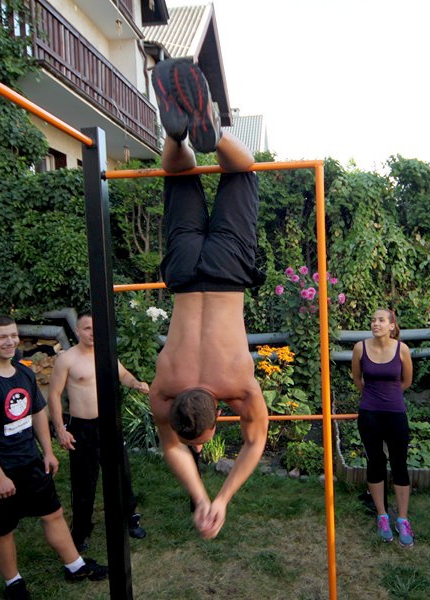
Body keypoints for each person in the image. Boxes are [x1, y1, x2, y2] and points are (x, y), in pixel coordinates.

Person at [149, 57, 269, 540]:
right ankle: (180, 139)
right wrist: (202, 496)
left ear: (217, 416)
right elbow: (172, 446)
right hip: (182, 271)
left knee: (243, 174)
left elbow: (255, 442)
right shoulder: (164, 386)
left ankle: (213, 135)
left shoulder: (240, 387)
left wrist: (218, 499)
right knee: (178, 179)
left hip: (226, 274)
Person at [0, 315, 107, 600]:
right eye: (2, 337)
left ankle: (74, 566)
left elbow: (38, 412)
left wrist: (48, 452)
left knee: (53, 513)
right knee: (2, 529)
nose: (10, 341)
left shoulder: (23, 372)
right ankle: (13, 583)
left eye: (13, 335)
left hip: (31, 461)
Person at [47, 313, 149, 550]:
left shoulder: (106, 353)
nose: (92, 332)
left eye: (96, 328)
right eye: (87, 328)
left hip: (109, 424)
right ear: (77, 331)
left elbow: (122, 375)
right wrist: (61, 429)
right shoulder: (67, 359)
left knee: (121, 475)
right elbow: (53, 394)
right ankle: (81, 531)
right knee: (84, 482)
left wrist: (136, 383)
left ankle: (129, 518)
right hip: (82, 428)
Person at [351, 309, 415, 547]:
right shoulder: (360, 348)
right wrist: (372, 397)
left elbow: (406, 381)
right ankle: (383, 516)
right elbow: (358, 379)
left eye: (380, 320)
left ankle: (403, 519)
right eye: (373, 320)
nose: (375, 323)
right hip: (369, 414)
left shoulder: (402, 350)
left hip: (396, 413)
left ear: (391, 325)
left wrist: (390, 397)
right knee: (375, 462)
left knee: (399, 463)